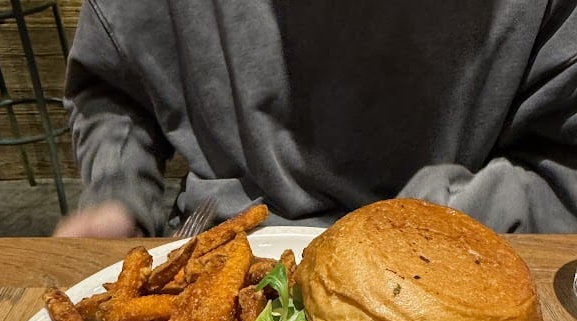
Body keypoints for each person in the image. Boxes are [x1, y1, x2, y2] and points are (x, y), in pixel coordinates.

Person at [55, 1, 577, 238]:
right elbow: (113, 88)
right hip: (214, 252)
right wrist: (118, 189)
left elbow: (562, 162)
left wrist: (436, 219)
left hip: (449, 263)